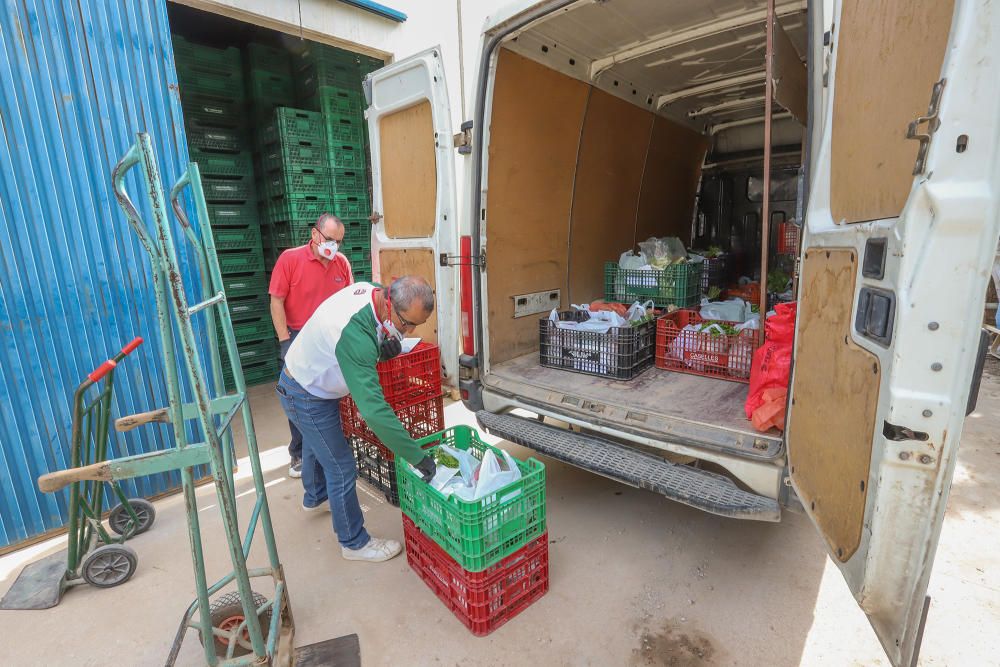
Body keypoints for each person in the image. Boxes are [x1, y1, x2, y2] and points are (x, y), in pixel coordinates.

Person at [276, 276, 437, 562]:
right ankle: (353, 542)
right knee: (341, 467)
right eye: (406, 324)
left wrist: (384, 346)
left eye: (415, 326)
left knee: (317, 445)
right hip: (306, 395)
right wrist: (418, 457)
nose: (408, 330)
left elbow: (367, 341)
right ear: (389, 303)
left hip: (305, 382)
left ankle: (315, 498)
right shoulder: (355, 335)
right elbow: (374, 411)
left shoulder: (371, 292)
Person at [269, 213, 352, 479]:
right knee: (299, 396)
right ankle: (298, 451)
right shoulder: (290, 259)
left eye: (339, 242)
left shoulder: (341, 263)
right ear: (315, 234)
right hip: (297, 336)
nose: (334, 247)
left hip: (329, 339)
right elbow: (276, 301)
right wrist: (284, 341)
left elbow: (347, 303)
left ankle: (328, 447)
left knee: (327, 394)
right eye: (330, 240)